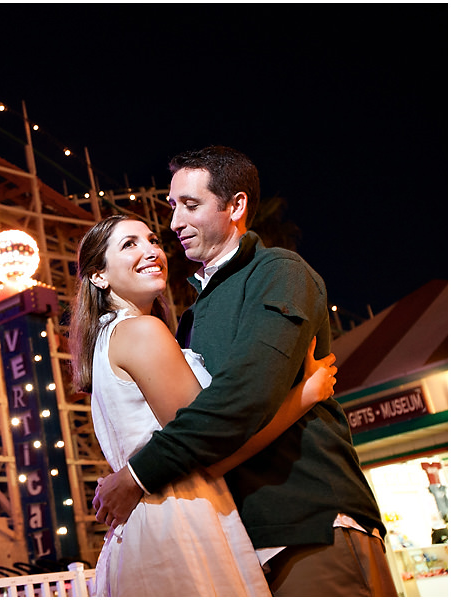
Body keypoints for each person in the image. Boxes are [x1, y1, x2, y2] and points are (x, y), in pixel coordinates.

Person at [91, 146, 396, 596]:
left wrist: (136, 475)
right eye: (173, 207)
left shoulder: (277, 272)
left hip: (307, 524)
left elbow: (242, 399)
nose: (172, 224)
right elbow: (204, 426)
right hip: (234, 539)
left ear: (235, 206)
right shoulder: (190, 317)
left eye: (190, 205)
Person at [69, 213, 337, 596]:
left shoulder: (109, 340)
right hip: (181, 523)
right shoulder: (141, 332)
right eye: (129, 245)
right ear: (99, 275)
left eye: (152, 240)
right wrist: (303, 396)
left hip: (145, 527)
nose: (151, 251)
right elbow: (211, 448)